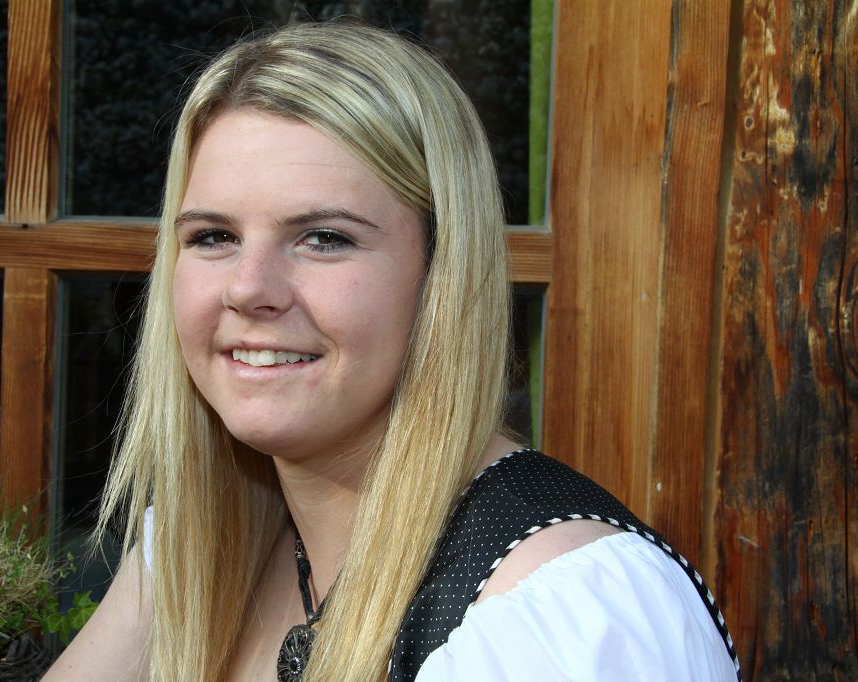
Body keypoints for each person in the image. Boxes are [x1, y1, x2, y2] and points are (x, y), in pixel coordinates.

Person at [44, 21, 740, 682]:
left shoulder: (559, 611)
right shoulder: (202, 544)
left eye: (324, 238)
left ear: (441, 271)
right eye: (213, 237)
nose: (249, 288)